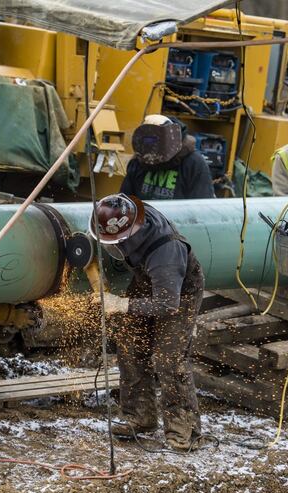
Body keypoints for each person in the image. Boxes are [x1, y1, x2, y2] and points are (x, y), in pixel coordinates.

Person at [88, 193, 205, 450]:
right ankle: (139, 417)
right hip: (146, 281)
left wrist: (121, 304)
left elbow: (166, 304)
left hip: (178, 295)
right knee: (130, 344)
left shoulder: (166, 253)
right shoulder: (125, 210)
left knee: (168, 358)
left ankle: (185, 429)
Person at [120, 114, 215, 200]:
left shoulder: (193, 163)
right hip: (145, 218)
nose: (152, 146)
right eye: (148, 141)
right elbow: (124, 202)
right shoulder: (139, 161)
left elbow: (202, 207)